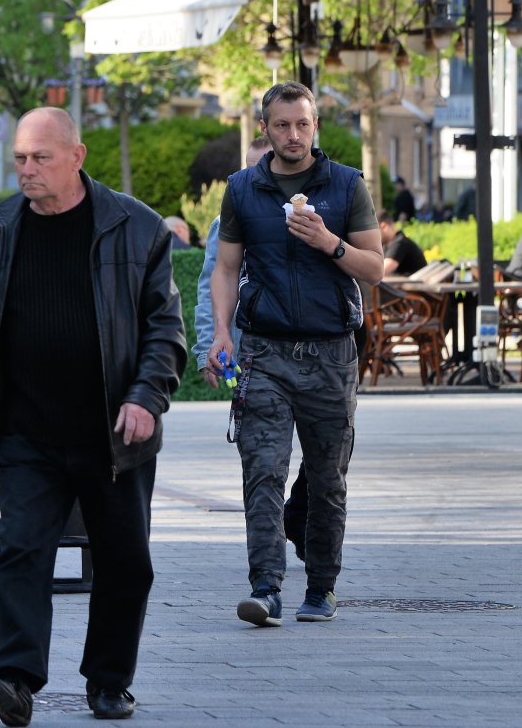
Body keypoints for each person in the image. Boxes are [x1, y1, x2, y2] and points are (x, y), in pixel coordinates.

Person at [0, 109, 184, 725]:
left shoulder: (135, 227)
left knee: (125, 561)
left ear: (77, 156)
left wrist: (144, 397)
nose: (27, 170)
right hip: (28, 429)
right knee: (21, 551)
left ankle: (109, 681)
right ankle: (12, 678)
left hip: (112, 431)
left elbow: (165, 329)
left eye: (40, 158)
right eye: (20, 159)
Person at [208, 82, 383, 631]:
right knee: (262, 472)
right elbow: (226, 267)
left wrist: (328, 242)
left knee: (328, 476)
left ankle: (322, 585)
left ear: (315, 127)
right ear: (265, 128)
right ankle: (265, 588)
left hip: (331, 354)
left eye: (302, 124)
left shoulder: (346, 185)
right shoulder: (243, 189)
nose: (292, 135)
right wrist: (220, 333)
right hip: (264, 354)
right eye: (281, 125)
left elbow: (375, 267)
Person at [192, 138, 272, 378]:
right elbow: (210, 287)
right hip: (249, 352)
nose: (255, 177)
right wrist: (207, 348)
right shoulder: (227, 222)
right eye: (249, 170)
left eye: (264, 167)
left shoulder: (305, 216)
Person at [378, 212, 428, 278]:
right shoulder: (387, 245)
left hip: (418, 287)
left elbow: (379, 272)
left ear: (384, 226)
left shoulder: (400, 243)